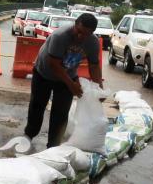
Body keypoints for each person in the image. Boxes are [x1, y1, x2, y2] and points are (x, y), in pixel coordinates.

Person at [24, 13, 102, 148]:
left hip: (68, 75)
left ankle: (53, 146)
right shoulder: (60, 36)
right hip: (44, 74)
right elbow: (54, 64)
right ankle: (28, 135)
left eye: (86, 34)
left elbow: (94, 66)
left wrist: (99, 88)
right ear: (75, 25)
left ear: (92, 33)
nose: (80, 36)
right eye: (79, 32)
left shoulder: (93, 42)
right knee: (37, 107)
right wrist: (72, 85)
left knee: (61, 113)